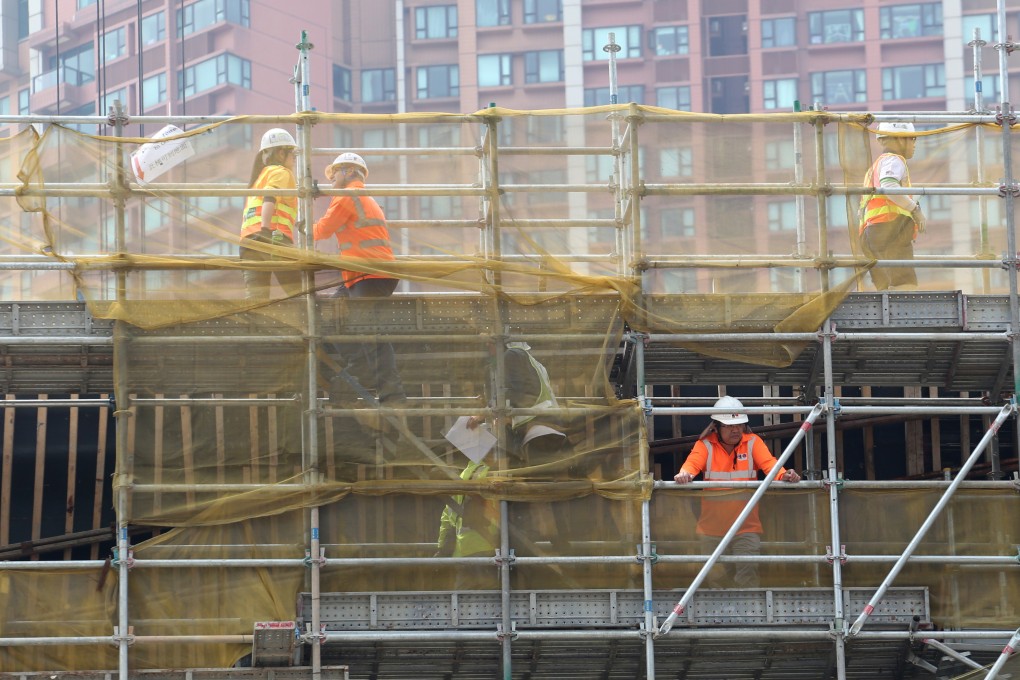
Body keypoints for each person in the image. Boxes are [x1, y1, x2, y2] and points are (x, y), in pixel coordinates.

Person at [673, 395, 801, 588]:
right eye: (729, 425)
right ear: (716, 426)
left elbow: (770, 465)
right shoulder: (705, 445)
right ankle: (716, 617)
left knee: (747, 573)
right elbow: (692, 464)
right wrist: (685, 474)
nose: (735, 430)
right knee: (713, 577)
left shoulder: (752, 442)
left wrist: (784, 475)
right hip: (711, 529)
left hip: (745, 526)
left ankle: (749, 616)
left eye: (739, 425)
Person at [313, 152, 405, 408]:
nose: (332, 181)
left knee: (371, 333)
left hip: (369, 274)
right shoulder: (359, 197)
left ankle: (392, 394)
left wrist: (302, 223)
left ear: (349, 172)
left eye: (335, 175)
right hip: (364, 275)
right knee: (333, 320)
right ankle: (361, 368)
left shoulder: (348, 196)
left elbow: (323, 230)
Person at [858, 121, 927, 291]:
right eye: (911, 139)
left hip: (871, 235)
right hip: (889, 229)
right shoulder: (894, 160)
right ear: (898, 140)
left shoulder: (876, 166)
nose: (914, 144)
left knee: (885, 290)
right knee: (905, 287)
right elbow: (889, 186)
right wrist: (915, 209)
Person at [239, 128, 303, 303]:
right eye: (293, 155)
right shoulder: (281, 172)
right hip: (273, 237)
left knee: (256, 299)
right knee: (300, 291)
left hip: (248, 243)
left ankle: (254, 329)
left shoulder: (259, 178)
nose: (295, 160)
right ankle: (309, 325)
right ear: (281, 153)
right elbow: (270, 198)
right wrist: (265, 230)